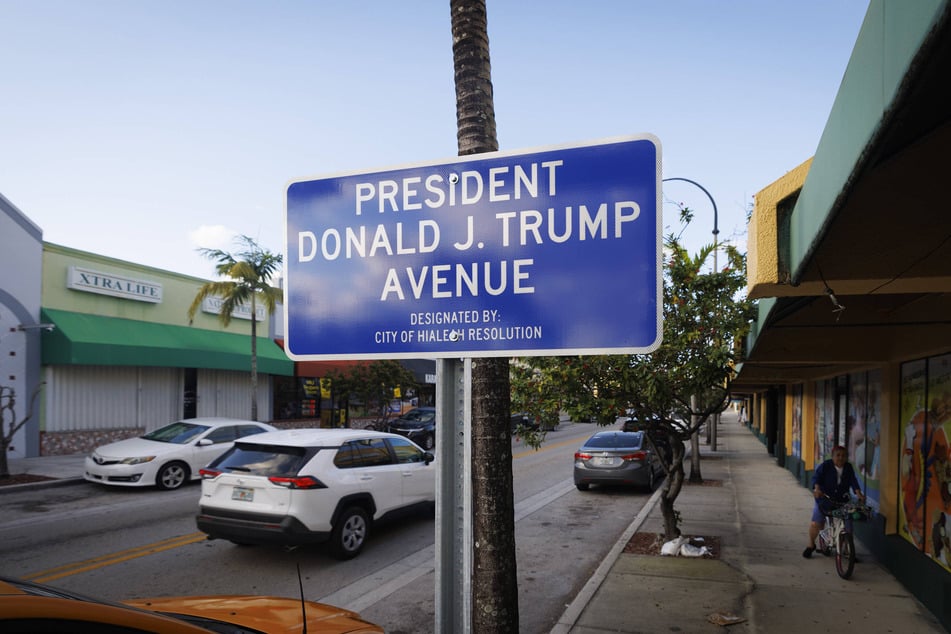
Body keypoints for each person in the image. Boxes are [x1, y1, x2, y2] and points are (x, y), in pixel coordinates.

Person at [803, 445, 866, 558]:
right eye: (838, 455)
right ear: (832, 457)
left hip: (842, 499)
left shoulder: (848, 467)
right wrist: (817, 489)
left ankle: (848, 549)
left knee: (848, 525)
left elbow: (853, 481)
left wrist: (858, 493)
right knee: (816, 523)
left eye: (843, 456)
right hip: (824, 498)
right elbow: (817, 478)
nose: (841, 458)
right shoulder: (826, 466)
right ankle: (811, 544)